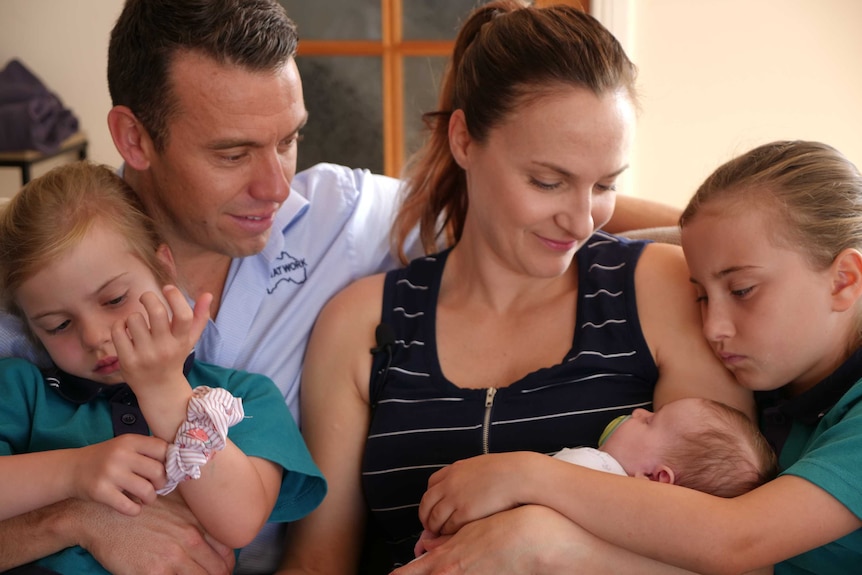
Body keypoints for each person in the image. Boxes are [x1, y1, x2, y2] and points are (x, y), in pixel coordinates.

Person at [0, 1, 682, 573]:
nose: (274, 186)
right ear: (134, 138)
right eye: (233, 153)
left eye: (289, 140)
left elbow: (529, 195)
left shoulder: (340, 217)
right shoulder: (37, 282)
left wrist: (710, 240)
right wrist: (73, 519)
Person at [280, 2, 754, 573]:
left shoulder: (661, 289)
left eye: (605, 184)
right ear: (463, 140)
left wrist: (545, 545)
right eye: (547, 182)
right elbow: (317, 564)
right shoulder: (362, 325)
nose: (582, 221)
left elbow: (739, 550)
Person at [405, 139, 862, 575]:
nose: (712, 327)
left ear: (843, 279)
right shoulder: (778, 380)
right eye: (702, 296)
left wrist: (524, 479)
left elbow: (737, 542)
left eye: (742, 290)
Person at [0, 161, 326, 575]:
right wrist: (72, 473)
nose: (96, 336)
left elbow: (240, 522)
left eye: (115, 299)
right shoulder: (21, 391)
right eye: (58, 325)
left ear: (164, 269)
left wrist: (165, 391)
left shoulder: (239, 399)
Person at [413, 396, 777, 557]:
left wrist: (445, 527)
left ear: (657, 478)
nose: (637, 412)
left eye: (650, 421)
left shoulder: (590, 466)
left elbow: (493, 506)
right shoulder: (649, 550)